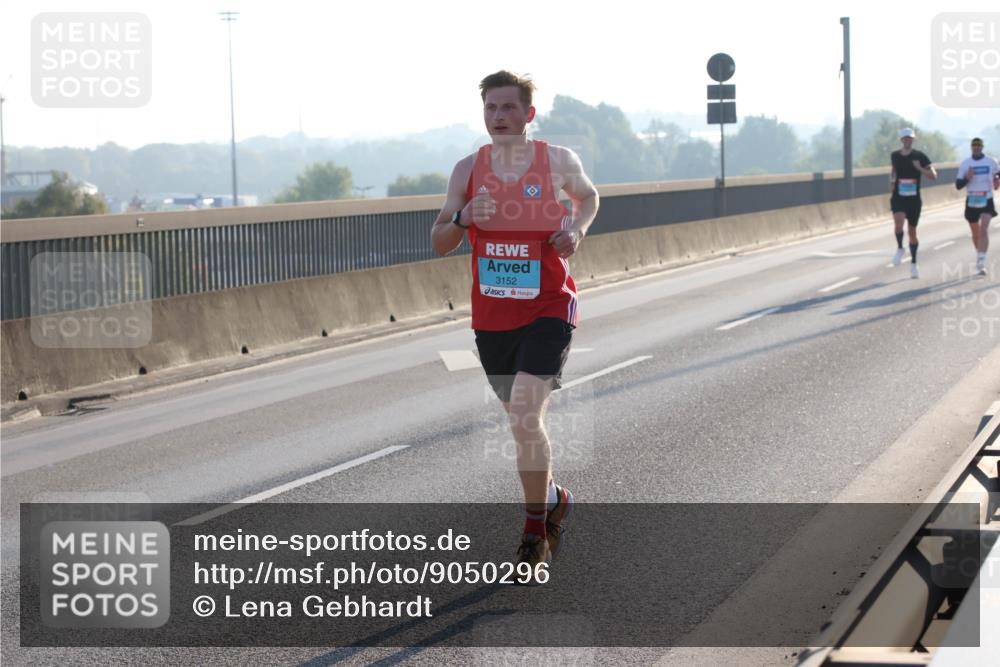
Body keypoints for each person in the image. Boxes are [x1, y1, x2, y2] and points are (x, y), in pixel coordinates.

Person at [431, 71, 599, 573]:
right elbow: (439, 240)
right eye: (491, 108)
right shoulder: (467, 170)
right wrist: (464, 219)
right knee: (520, 422)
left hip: (549, 305)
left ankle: (533, 534)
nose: (499, 117)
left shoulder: (557, 161)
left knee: (525, 411)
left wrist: (576, 230)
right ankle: (554, 498)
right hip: (493, 317)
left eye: (508, 108)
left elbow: (588, 198)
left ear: (529, 114)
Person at [889, 128, 937, 278]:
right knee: (898, 222)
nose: (907, 140)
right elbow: (893, 170)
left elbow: (933, 176)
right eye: (905, 138)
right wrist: (892, 182)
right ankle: (900, 248)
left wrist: (920, 168)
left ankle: (914, 263)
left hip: (914, 199)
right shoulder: (895, 155)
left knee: (912, 232)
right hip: (898, 196)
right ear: (901, 140)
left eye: (909, 138)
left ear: (913, 140)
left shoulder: (920, 156)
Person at [955, 137, 1000, 276]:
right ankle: (979, 254)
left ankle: (981, 261)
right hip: (972, 200)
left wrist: (997, 179)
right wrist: (967, 178)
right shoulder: (965, 164)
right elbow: (958, 185)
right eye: (974, 145)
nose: (976, 147)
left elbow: (998, 173)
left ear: (982, 147)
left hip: (986, 198)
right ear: (971, 147)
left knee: (983, 229)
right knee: (975, 233)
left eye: (979, 145)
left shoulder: (991, 161)